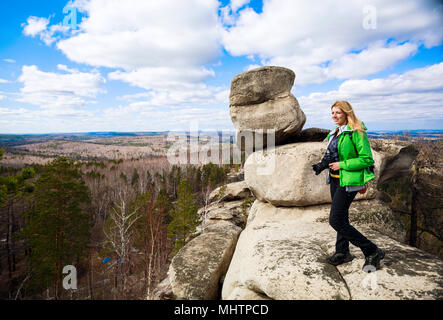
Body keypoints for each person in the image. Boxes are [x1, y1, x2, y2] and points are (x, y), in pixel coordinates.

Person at [312, 100, 385, 271]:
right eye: (332, 113)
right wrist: (321, 165)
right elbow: (333, 155)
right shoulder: (336, 132)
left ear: (347, 113)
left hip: (349, 180)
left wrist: (342, 165)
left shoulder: (357, 132)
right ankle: (342, 251)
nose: (334, 116)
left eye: (338, 112)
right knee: (342, 216)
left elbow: (366, 159)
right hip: (336, 179)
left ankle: (372, 250)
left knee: (335, 219)